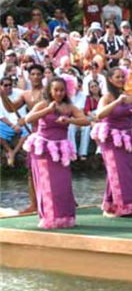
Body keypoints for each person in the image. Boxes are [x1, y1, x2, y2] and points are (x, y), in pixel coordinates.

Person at [23, 76, 89, 228]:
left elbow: (85, 120)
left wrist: (69, 120)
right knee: (47, 185)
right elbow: (28, 119)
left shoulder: (69, 107)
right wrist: (48, 110)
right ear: (50, 90)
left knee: (62, 185)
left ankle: (64, 218)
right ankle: (49, 218)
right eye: (56, 90)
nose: (59, 93)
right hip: (43, 150)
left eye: (61, 90)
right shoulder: (43, 104)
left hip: (60, 150)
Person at [92, 68, 132, 217]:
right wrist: (117, 102)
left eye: (122, 77)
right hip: (112, 138)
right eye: (117, 77)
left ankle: (127, 205)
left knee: (131, 171)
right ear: (110, 79)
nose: (120, 79)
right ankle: (118, 206)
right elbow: (99, 114)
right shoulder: (107, 97)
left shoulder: (130, 96)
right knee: (116, 171)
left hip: (129, 136)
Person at [1, 64, 45, 213]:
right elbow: (10, 108)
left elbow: (50, 108)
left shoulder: (47, 92)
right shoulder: (25, 94)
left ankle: (63, 199)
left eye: (38, 74)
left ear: (43, 76)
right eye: (32, 74)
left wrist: (26, 118)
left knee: (51, 169)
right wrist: (2, 95)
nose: (35, 77)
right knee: (31, 169)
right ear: (29, 76)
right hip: (34, 133)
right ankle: (33, 204)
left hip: (47, 132)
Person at [0, 77, 29, 167]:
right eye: (5, 85)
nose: (9, 87)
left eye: (10, 84)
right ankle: (9, 150)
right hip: (8, 123)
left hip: (23, 121)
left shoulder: (20, 93)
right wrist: (13, 126)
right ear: (1, 87)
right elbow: (1, 117)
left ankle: (14, 152)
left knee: (29, 128)